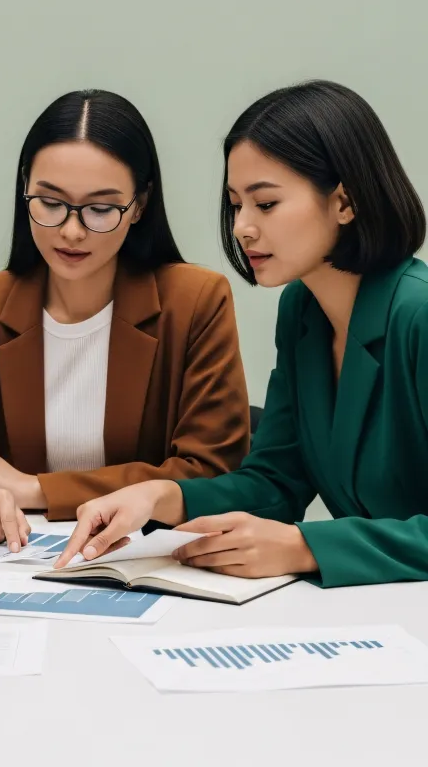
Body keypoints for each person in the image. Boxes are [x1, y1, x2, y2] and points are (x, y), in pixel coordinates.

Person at [55, 80, 428, 588]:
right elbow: (276, 479)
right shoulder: (304, 309)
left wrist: (304, 546)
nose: (242, 228)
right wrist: (160, 496)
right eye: (235, 204)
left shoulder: (418, 315)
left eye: (266, 204)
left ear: (345, 202)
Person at [0, 89, 250, 551]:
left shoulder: (195, 301)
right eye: (49, 202)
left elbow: (209, 471)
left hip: (145, 561)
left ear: (140, 205)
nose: (71, 231)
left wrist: (33, 489)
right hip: (13, 561)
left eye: (101, 209)